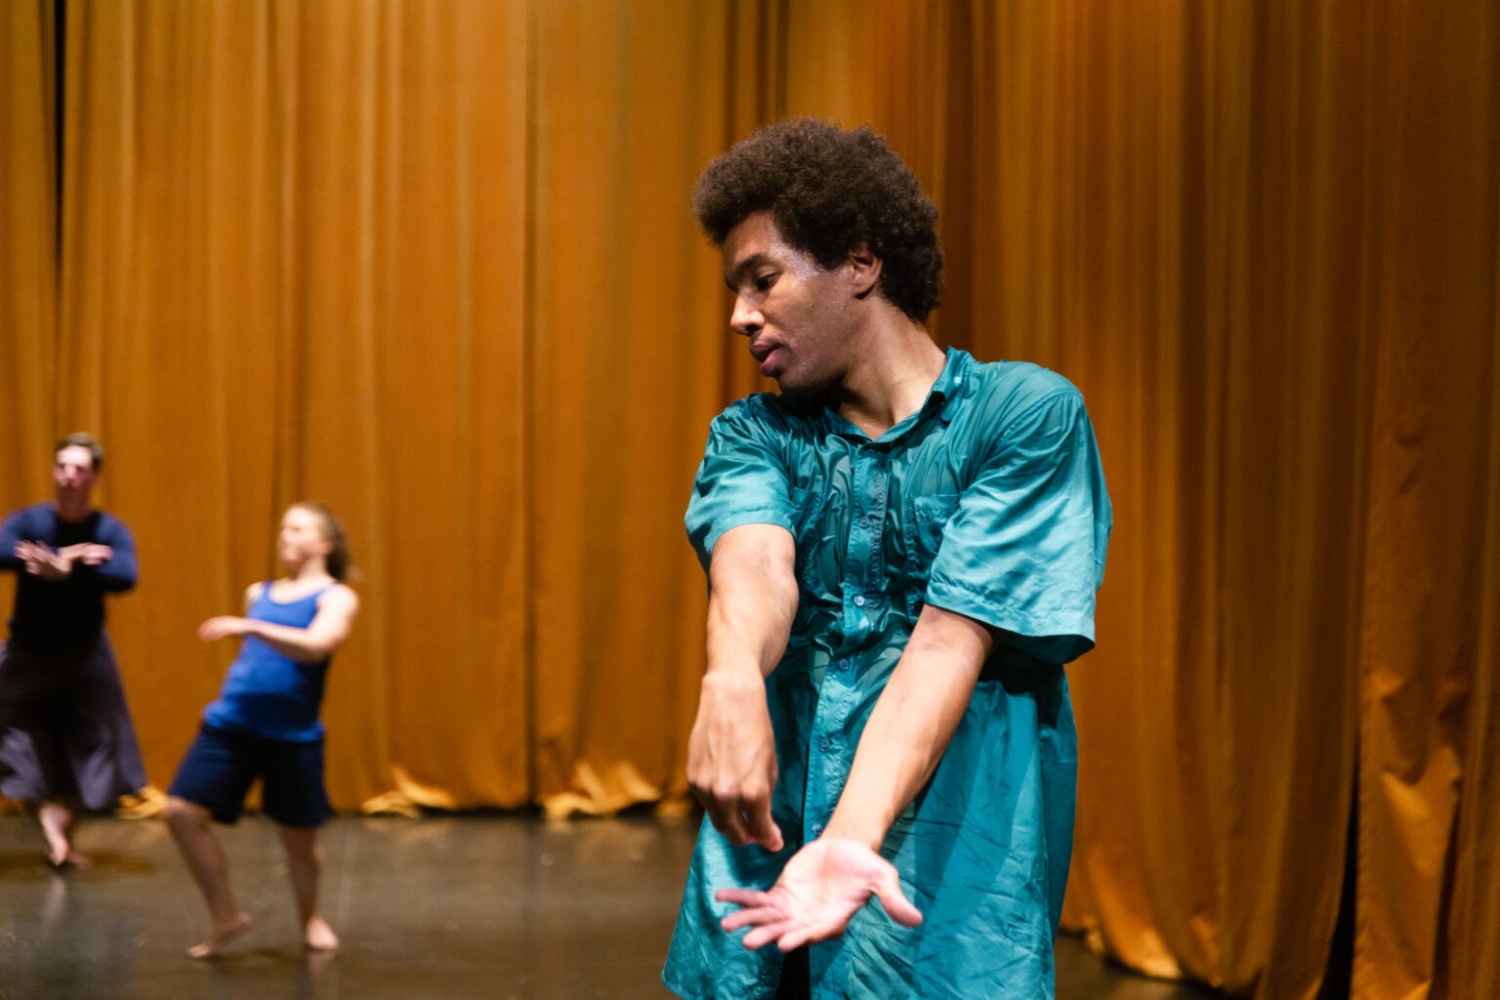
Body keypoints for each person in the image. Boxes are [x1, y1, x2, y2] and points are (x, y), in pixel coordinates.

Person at [661, 119, 1112, 999]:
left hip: (945, 858)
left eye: (764, 280)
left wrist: (850, 841)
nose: (739, 315)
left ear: (860, 265)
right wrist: (733, 679)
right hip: (770, 855)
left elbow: (949, 640)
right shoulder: (755, 433)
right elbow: (754, 566)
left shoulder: (1022, 416)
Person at [164, 502, 358, 959]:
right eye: (282, 529)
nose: (284, 536)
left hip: (293, 737)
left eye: (296, 529)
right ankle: (226, 915)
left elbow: (317, 646)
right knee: (179, 813)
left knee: (299, 843)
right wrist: (252, 622)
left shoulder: (336, 596)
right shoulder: (260, 593)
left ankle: (310, 918)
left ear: (323, 544)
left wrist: (250, 625)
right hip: (231, 726)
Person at [0, 432, 147, 869]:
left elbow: (125, 575)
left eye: (80, 469)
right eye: (62, 466)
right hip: (29, 651)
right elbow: (2, 549)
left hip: (85, 655)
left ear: (94, 477)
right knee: (16, 741)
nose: (69, 477)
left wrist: (69, 571)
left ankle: (64, 825)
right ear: (54, 471)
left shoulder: (109, 529)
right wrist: (67, 558)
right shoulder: (29, 521)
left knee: (100, 743)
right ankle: (52, 834)